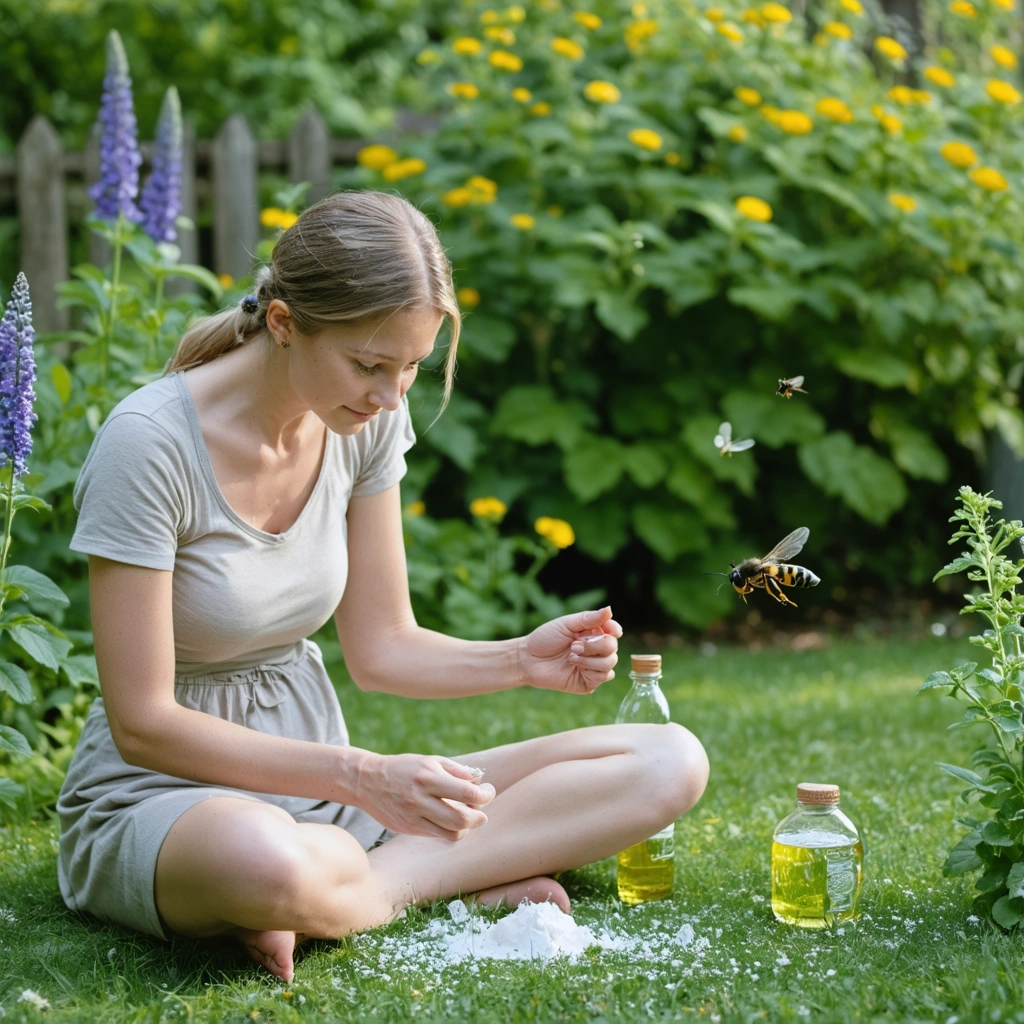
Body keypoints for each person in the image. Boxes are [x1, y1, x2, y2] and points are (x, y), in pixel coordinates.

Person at [56, 190, 709, 983]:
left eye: (411, 368)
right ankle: (368, 885)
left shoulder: (361, 420)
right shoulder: (148, 445)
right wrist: (364, 778)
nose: (391, 396)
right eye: (370, 365)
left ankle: (356, 891)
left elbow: (382, 647)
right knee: (266, 862)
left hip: (331, 802)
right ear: (285, 322)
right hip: (168, 799)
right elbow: (144, 725)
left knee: (669, 760)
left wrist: (519, 660)